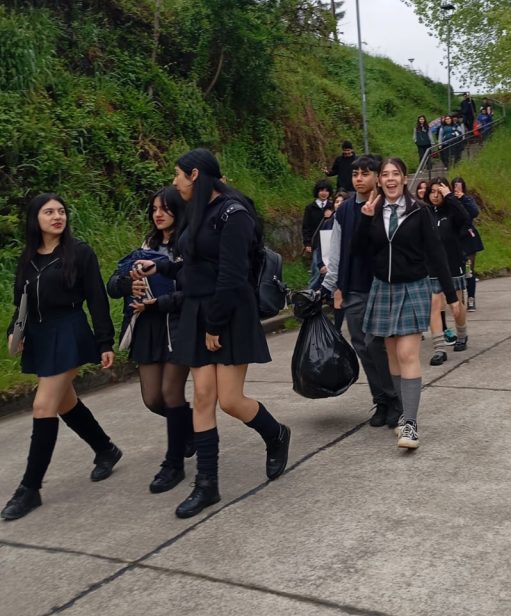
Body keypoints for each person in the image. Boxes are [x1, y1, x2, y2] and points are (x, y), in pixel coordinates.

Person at [135, 149, 290, 518]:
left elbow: (233, 275)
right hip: (198, 310)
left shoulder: (234, 214)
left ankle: (277, 434)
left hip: (228, 313)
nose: (174, 183)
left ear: (194, 174)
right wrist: (159, 267)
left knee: (230, 401)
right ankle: (207, 485)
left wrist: (215, 325)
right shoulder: (196, 210)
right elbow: (193, 264)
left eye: (177, 175)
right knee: (203, 397)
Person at [2, 194, 120, 521]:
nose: (57, 216)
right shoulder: (28, 258)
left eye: (61, 211)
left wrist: (104, 342)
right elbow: (21, 302)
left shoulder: (80, 253)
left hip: (69, 332)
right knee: (65, 402)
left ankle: (30, 488)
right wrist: (16, 330)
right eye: (49, 211)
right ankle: (106, 449)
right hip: (39, 336)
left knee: (43, 406)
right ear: (35, 219)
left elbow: (96, 298)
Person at [353, 157, 460, 450]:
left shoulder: (419, 211)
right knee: (392, 358)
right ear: (379, 180)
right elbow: (359, 252)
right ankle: (403, 412)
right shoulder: (371, 211)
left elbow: (436, 252)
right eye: (385, 174)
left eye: (395, 174)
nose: (389, 179)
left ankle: (410, 424)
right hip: (382, 288)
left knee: (407, 354)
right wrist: (364, 218)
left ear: (404, 179)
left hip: (413, 287)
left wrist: (451, 297)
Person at [107, 187, 194, 494]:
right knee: (152, 399)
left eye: (165, 208)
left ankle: (173, 464)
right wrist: (130, 284)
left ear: (178, 211)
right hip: (147, 325)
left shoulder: (188, 244)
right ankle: (189, 425)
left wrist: (161, 301)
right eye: (154, 208)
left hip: (177, 325)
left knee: (171, 394)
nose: (158, 214)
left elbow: (193, 293)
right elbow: (114, 284)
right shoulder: (147, 245)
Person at [321, 156, 401, 428]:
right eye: (355, 173)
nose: (358, 178)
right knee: (362, 346)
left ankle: (394, 400)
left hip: (381, 286)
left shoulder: (388, 206)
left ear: (377, 177)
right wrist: (334, 287)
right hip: (353, 287)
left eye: (365, 173)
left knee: (376, 344)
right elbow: (336, 251)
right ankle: (380, 400)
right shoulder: (344, 211)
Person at [426, 178, 471, 365]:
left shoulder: (452, 211)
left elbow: (467, 218)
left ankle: (462, 334)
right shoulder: (425, 212)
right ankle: (439, 348)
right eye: (432, 192)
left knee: (456, 304)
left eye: (439, 192)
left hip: (453, 264)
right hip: (432, 266)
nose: (435, 196)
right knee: (435, 304)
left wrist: (450, 197)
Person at [314, 190, 348, 331]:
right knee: (335, 296)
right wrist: (321, 264)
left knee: (340, 296)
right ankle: (336, 328)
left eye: (342, 202)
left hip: (345, 265)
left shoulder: (349, 221)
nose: (339, 204)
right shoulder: (328, 223)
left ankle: (338, 328)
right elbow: (322, 245)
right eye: (337, 201)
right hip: (331, 266)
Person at [452, 177, 485, 311]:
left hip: (468, 239)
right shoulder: (450, 200)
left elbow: (475, 212)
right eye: (455, 186)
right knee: (456, 271)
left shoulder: (468, 199)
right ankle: (460, 299)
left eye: (459, 186)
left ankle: (471, 298)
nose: (457, 189)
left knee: (469, 271)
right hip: (455, 239)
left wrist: (463, 197)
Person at [302, 179, 334, 289]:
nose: (324, 193)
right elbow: (306, 226)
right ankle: (310, 293)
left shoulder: (332, 207)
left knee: (329, 270)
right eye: (321, 190)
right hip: (316, 243)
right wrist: (307, 243)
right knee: (316, 269)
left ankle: (324, 294)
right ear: (317, 192)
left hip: (330, 243)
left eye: (326, 190)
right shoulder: (310, 208)